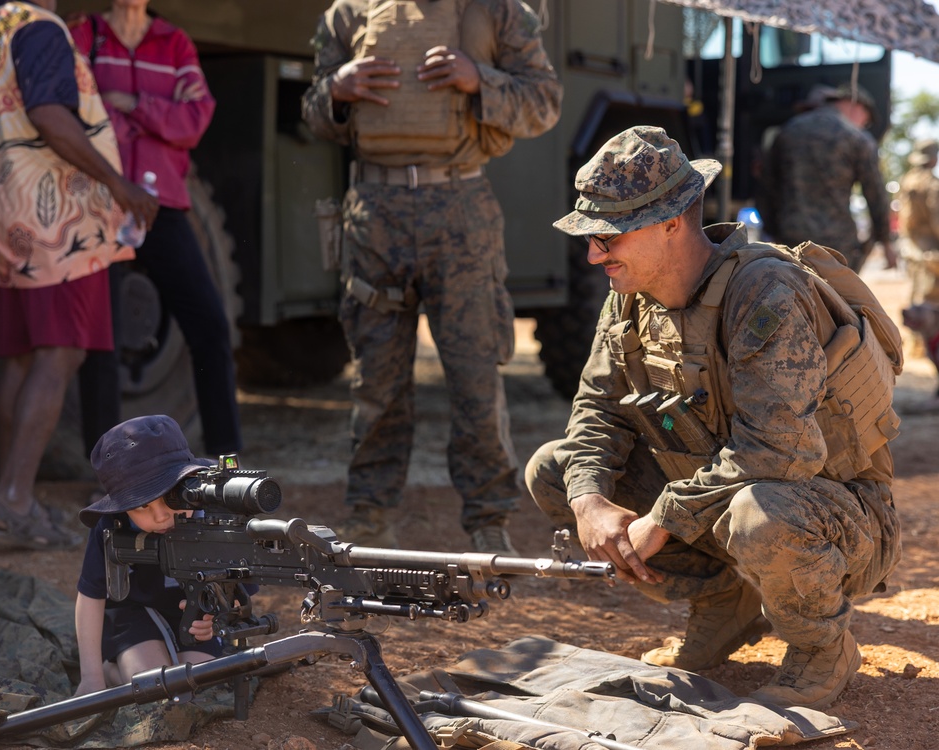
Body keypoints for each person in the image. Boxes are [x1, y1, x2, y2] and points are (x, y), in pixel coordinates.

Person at [525, 126, 902, 709]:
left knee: (760, 513)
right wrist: (588, 499)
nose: (594, 254)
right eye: (591, 237)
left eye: (609, 236)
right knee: (556, 470)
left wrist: (665, 518)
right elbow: (598, 408)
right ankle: (725, 603)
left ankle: (822, 648)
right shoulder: (628, 296)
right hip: (723, 500)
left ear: (671, 223)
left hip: (833, 516)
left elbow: (781, 450)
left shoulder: (765, 292)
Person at [300, 0, 563, 553]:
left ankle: (489, 523)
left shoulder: (498, 11)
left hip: (460, 207)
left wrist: (480, 79)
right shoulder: (348, 13)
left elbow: (545, 102)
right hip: (375, 212)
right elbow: (312, 114)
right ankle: (370, 517)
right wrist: (337, 92)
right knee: (376, 380)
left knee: (475, 378)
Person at [0, 0, 158, 550]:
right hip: (58, 217)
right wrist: (119, 184)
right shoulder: (39, 27)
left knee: (25, 357)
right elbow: (49, 114)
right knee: (60, 353)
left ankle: (13, 496)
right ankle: (13, 499)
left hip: (9, 201)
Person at [69, 0, 243, 457]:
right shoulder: (85, 36)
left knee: (210, 324)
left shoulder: (174, 43)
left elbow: (195, 119)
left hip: (160, 205)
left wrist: (134, 105)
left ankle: (225, 457)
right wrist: (152, 118)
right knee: (102, 342)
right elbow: (77, 112)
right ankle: (108, 472)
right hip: (100, 206)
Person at [74, 414, 224, 696]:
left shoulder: (217, 514)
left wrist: (217, 619)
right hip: (133, 613)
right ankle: (111, 670)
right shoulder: (111, 526)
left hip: (195, 615)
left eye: (170, 497)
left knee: (198, 684)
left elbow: (240, 591)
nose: (160, 516)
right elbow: (91, 595)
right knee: (153, 687)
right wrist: (91, 677)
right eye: (141, 506)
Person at [761, 83, 897, 273]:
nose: (863, 125)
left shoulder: (787, 131)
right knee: (834, 293)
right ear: (857, 106)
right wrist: (886, 242)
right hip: (837, 247)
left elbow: (767, 187)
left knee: (791, 291)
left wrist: (772, 232)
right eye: (866, 120)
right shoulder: (857, 138)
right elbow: (876, 195)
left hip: (790, 240)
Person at [897, 138, 939, 307]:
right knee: (931, 301)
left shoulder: (907, 181)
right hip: (931, 250)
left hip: (911, 246)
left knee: (917, 296)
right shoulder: (932, 185)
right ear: (933, 159)